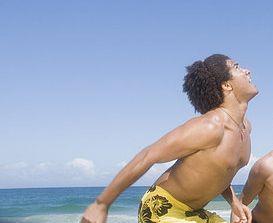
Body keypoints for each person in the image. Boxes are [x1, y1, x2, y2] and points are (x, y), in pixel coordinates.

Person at [80, 54, 257, 223]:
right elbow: (149, 155)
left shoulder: (245, 127)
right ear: (226, 85)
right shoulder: (210, 127)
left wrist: (234, 202)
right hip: (161, 209)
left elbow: (221, 173)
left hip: (195, 213)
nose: (246, 71)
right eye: (237, 67)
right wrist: (101, 204)